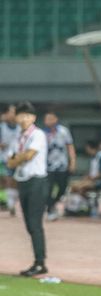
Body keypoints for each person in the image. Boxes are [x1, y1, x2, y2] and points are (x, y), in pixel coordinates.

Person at [6, 102, 49, 276]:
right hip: (22, 180)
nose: (20, 119)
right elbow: (10, 161)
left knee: (35, 223)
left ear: (32, 117)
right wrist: (19, 158)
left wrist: (18, 157)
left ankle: (40, 262)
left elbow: (30, 155)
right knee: (29, 225)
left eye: (24, 115)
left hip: (36, 181)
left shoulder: (37, 134)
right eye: (19, 115)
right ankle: (37, 261)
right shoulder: (19, 137)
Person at [44, 109, 77, 221]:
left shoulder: (64, 131)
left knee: (62, 188)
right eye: (46, 119)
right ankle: (49, 210)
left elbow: (70, 147)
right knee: (48, 189)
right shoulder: (43, 133)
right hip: (48, 166)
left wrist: (72, 162)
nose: (48, 121)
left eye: (50, 118)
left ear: (55, 119)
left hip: (62, 165)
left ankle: (52, 203)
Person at [1, 104, 21, 216]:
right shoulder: (2, 127)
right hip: (5, 158)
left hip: (17, 158)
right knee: (7, 180)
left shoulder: (20, 127)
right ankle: (10, 204)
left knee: (15, 182)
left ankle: (12, 203)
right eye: (12, 112)